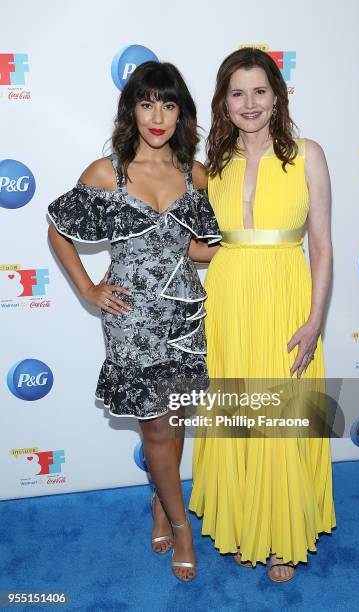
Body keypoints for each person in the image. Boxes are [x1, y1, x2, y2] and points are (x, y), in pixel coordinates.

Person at [47, 61, 221, 582]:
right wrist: (88, 288)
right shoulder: (110, 172)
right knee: (157, 428)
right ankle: (182, 524)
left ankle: (160, 504)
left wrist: (243, 249)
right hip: (132, 319)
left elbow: (195, 247)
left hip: (185, 314)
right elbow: (60, 231)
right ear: (132, 110)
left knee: (177, 421)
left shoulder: (196, 174)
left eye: (168, 104)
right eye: (147, 103)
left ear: (181, 112)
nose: (158, 115)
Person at [188, 48, 336, 582]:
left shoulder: (307, 154)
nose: (248, 103)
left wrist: (316, 318)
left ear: (277, 96)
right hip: (228, 298)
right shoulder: (216, 166)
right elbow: (210, 243)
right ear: (223, 104)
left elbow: (320, 245)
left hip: (285, 295)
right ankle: (243, 522)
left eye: (258, 91)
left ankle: (280, 535)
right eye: (236, 93)